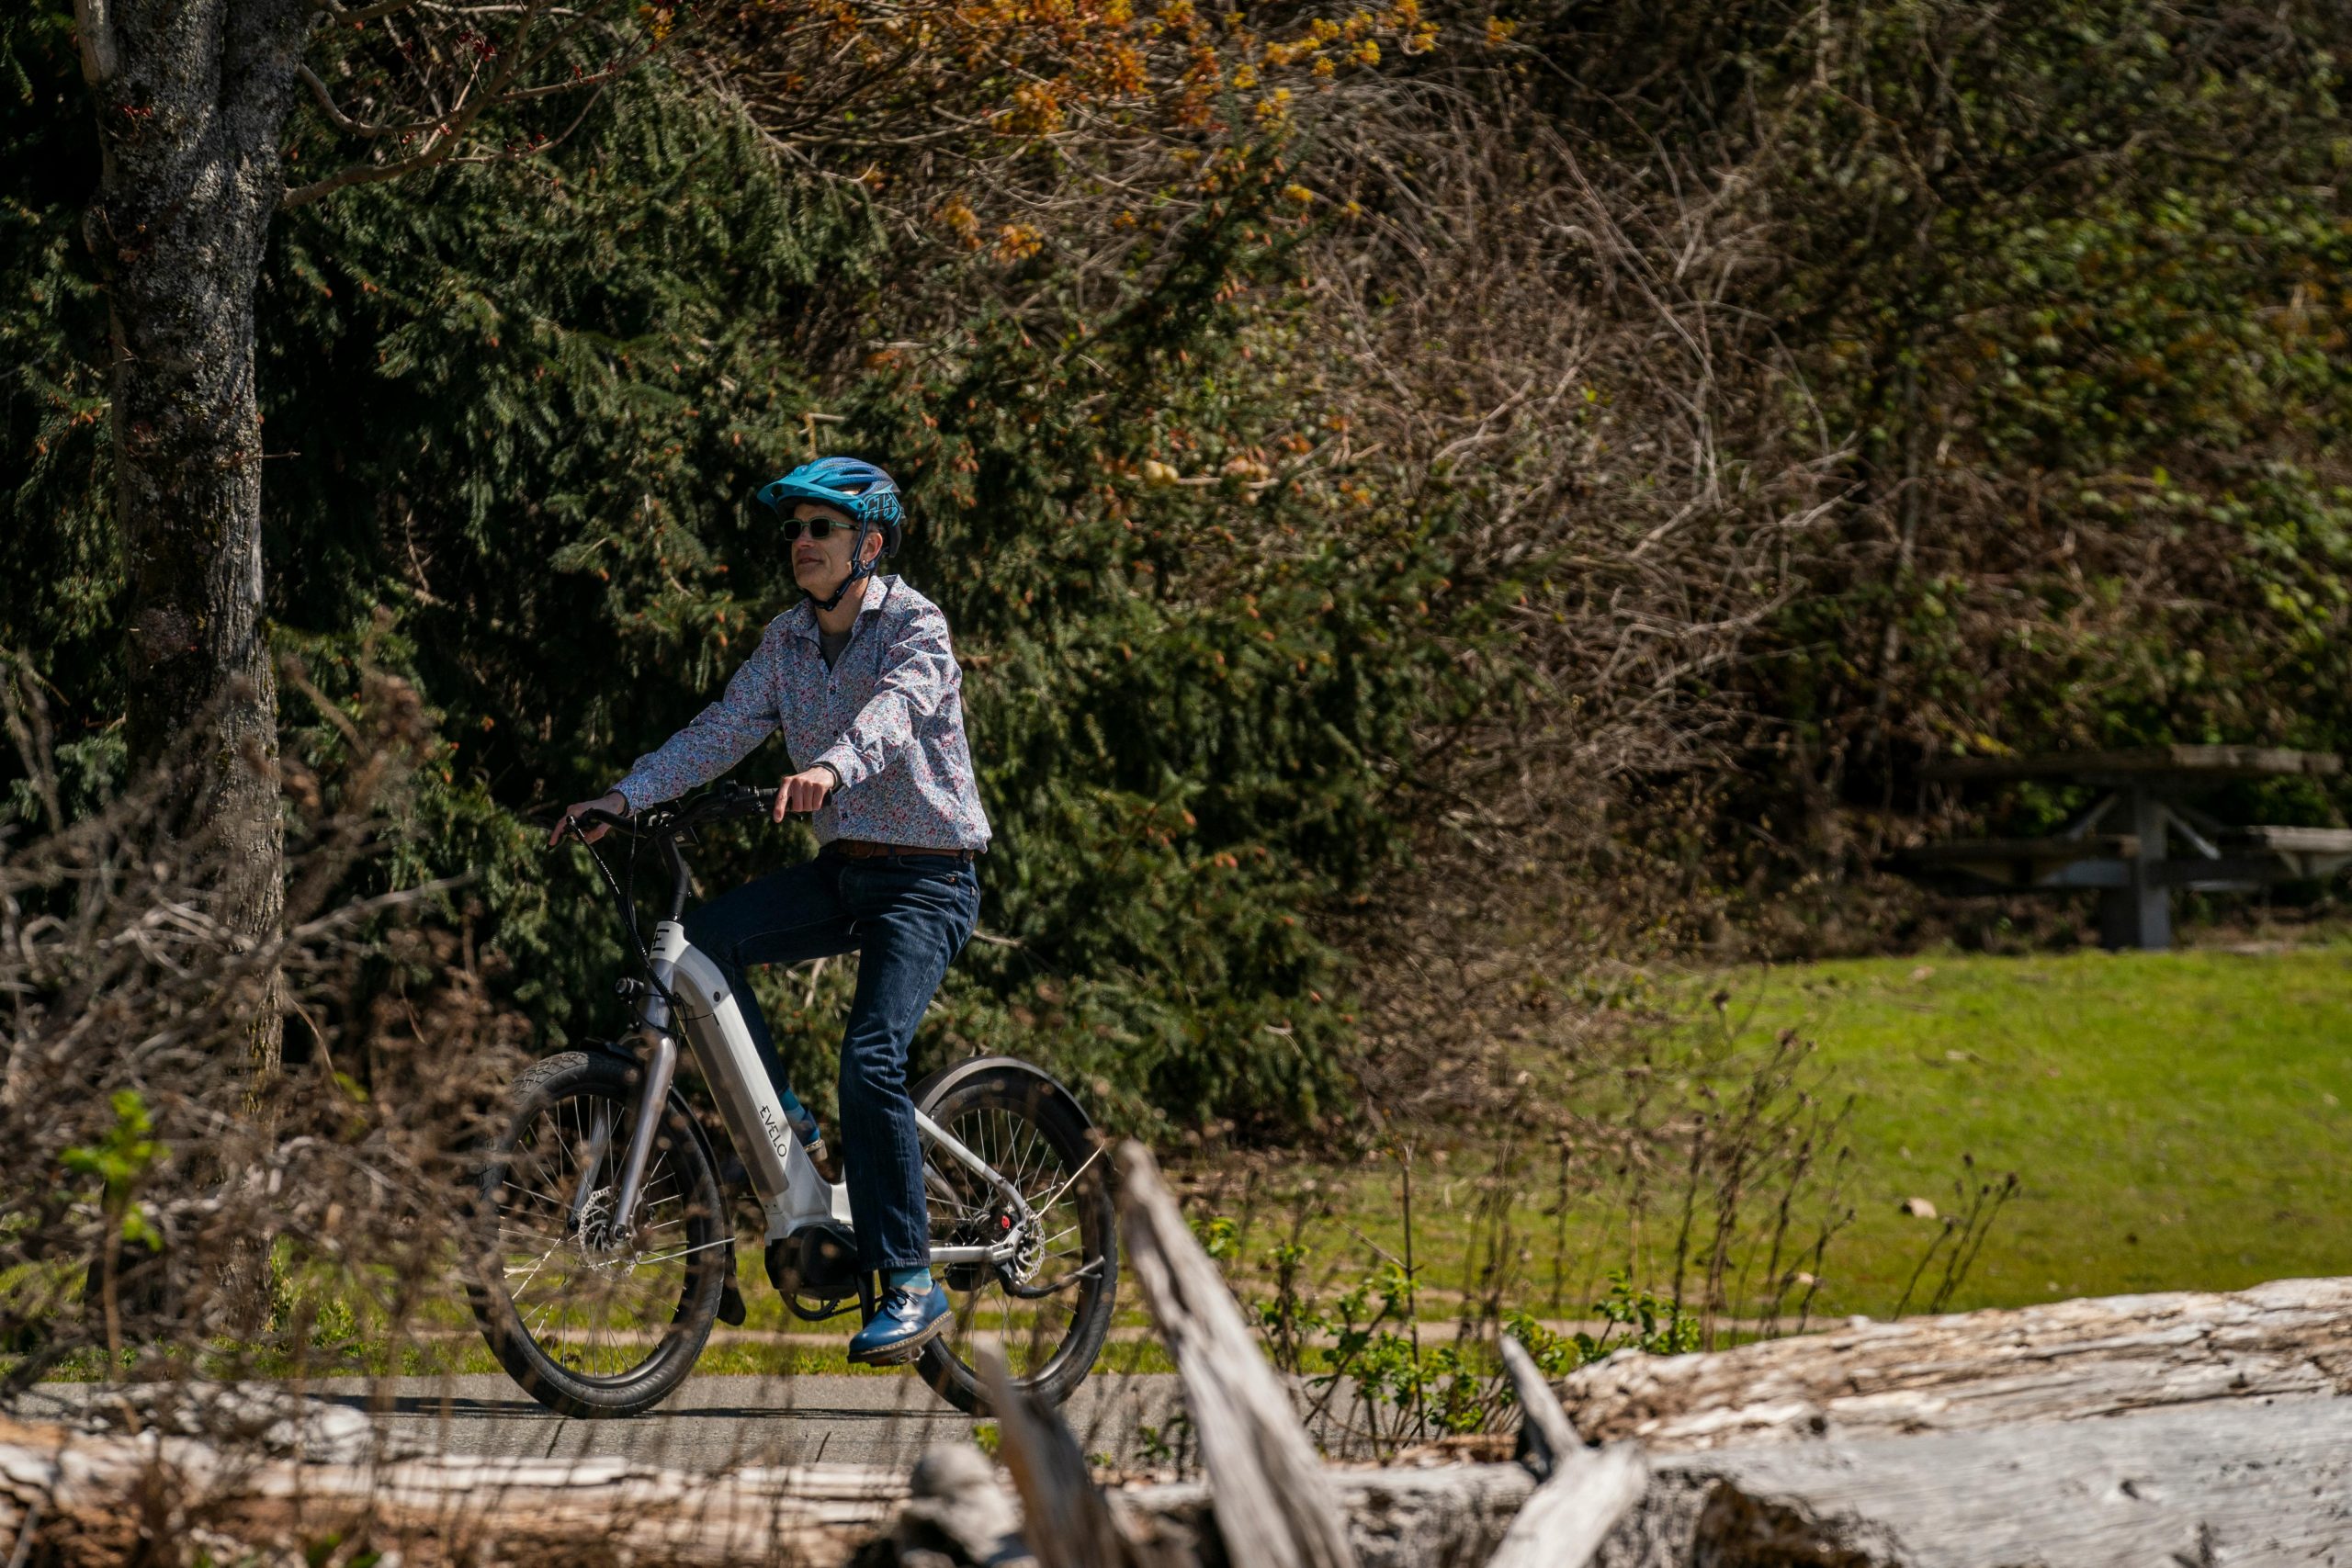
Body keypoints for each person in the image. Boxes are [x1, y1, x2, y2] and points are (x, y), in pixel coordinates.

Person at [552, 456, 989, 1366]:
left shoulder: (914, 624)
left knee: (870, 1057)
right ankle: (791, 1125)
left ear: (870, 543)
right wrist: (626, 798)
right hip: (845, 870)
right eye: (793, 528)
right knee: (709, 939)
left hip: (930, 878)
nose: (801, 542)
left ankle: (912, 1283)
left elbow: (898, 713)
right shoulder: (787, 640)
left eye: (821, 527)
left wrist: (831, 766)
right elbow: (721, 729)